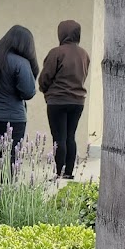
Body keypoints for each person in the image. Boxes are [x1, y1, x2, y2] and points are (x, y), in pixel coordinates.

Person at [0, 25, 39, 175]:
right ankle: (5, 193)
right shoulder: (21, 63)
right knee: (11, 160)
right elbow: (28, 92)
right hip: (13, 119)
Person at [38, 20, 91, 179]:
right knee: (70, 136)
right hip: (77, 101)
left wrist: (45, 90)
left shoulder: (56, 52)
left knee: (59, 138)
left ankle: (59, 173)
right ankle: (69, 173)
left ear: (61, 33)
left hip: (57, 101)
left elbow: (45, 78)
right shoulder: (84, 54)